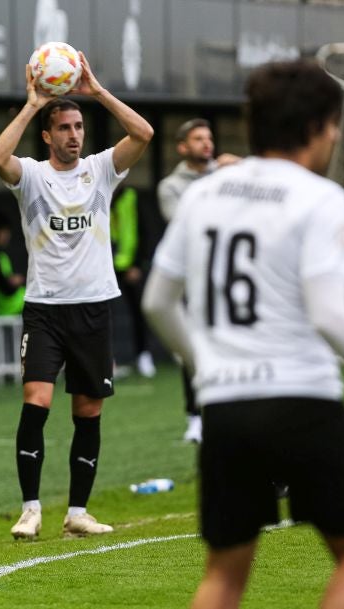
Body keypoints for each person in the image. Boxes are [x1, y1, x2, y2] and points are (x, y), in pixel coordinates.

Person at [141, 59, 344, 609]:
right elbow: (330, 314)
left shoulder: (203, 196)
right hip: (301, 400)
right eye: (334, 126)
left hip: (226, 408)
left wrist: (208, 367)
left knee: (223, 577)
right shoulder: (320, 197)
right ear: (316, 127)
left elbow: (158, 302)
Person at [0, 52, 153, 539]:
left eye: (79, 126)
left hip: (94, 307)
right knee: (35, 401)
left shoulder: (102, 170)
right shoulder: (33, 176)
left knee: (88, 412)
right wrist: (31, 103)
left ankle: (77, 512)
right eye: (63, 128)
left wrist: (96, 91)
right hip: (45, 311)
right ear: (47, 135)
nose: (74, 135)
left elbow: (143, 134)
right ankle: (31, 508)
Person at [157, 118, 240, 443]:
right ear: (183, 147)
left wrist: (244, 167)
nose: (207, 143)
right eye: (197, 138)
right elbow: (183, 225)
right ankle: (195, 415)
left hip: (231, 274)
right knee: (193, 347)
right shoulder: (172, 186)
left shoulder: (228, 174)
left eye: (209, 137)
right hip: (194, 279)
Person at [110, 184, 155, 377]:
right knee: (102, 312)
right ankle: (108, 360)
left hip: (129, 265)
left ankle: (143, 355)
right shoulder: (98, 192)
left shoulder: (131, 196)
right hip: (105, 265)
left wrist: (137, 263)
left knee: (138, 310)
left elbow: (143, 229)